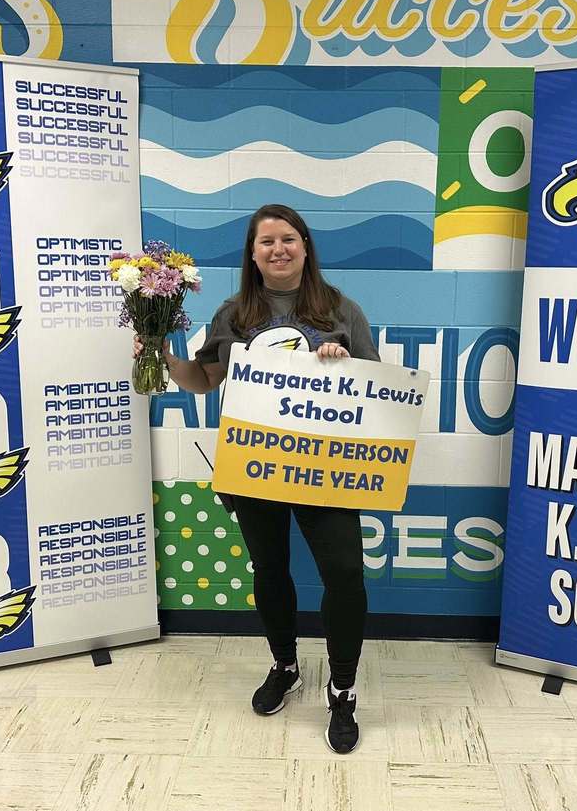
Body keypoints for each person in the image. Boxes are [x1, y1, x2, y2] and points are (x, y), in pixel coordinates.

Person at [154, 203, 379, 754]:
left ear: (305, 246)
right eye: (266, 242)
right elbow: (204, 380)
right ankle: (285, 666)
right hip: (254, 465)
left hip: (326, 469)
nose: (278, 249)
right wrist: (162, 356)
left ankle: (343, 690)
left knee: (345, 574)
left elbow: (374, 386)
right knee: (270, 570)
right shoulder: (234, 314)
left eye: (288, 239)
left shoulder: (341, 309)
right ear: (252, 254)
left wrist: (342, 364)